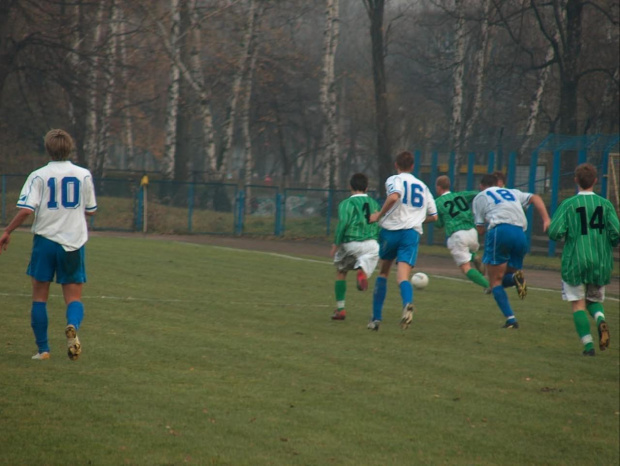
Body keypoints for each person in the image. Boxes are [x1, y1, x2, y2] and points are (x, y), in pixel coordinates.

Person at [0, 129, 97, 361]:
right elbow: (91, 211)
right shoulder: (83, 175)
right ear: (70, 148)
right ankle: (72, 325)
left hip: (45, 241)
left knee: (39, 296)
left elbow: (26, 210)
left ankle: (43, 350)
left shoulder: (38, 175)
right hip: (73, 243)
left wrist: (7, 231)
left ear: (48, 148)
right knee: (74, 297)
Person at [548, 163, 619, 356]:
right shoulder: (605, 204)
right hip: (600, 260)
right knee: (593, 299)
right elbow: (616, 233)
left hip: (576, 260)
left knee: (578, 303)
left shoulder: (568, 204)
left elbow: (555, 232)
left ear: (576, 180)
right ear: (596, 181)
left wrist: (565, 233)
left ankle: (588, 347)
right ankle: (600, 319)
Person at [367, 151, 437, 331]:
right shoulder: (423, 186)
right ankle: (407, 303)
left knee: (383, 272)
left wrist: (378, 215)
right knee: (402, 277)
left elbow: (394, 196)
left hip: (391, 232)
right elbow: (434, 216)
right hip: (411, 234)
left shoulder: (394, 179)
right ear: (413, 166)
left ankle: (376, 319)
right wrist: (417, 220)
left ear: (396, 165)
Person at [472, 174, 550, 329]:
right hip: (520, 234)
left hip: (500, 231)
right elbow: (535, 197)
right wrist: (546, 219)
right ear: (498, 184)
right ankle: (515, 278)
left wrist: (485, 222)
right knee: (506, 275)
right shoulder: (512, 192)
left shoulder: (480, 197)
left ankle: (511, 319)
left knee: (494, 281)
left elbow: (480, 229)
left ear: (482, 186)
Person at [330, 173, 380, 320]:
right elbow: (378, 225)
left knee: (341, 271)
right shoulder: (375, 204)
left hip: (351, 243)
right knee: (365, 263)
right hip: (372, 244)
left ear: (350, 186)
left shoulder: (346, 204)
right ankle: (361, 273)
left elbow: (344, 223)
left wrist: (336, 243)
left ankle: (341, 309)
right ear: (367, 187)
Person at [434, 175, 490, 292]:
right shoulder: (461, 195)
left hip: (458, 234)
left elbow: (438, 224)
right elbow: (477, 194)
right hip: (472, 232)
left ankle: (488, 285)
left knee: (465, 268)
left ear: (438, 187)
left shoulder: (437, 202)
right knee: (467, 249)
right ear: (449, 186)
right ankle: (474, 256)